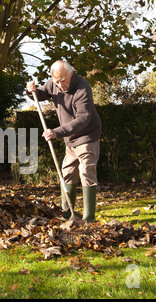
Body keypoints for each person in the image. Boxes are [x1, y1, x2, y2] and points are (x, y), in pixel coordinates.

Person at [26, 60, 102, 223]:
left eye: (63, 81)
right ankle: (68, 213)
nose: (59, 85)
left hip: (87, 136)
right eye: (56, 81)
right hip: (71, 139)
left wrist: (57, 132)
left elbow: (84, 118)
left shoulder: (82, 88)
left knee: (86, 172)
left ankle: (89, 218)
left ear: (72, 74)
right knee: (67, 173)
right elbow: (40, 95)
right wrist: (31, 91)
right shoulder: (53, 83)